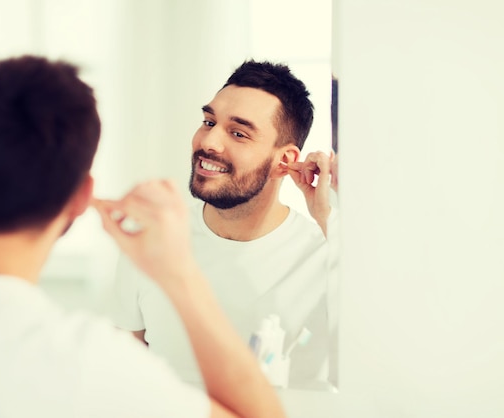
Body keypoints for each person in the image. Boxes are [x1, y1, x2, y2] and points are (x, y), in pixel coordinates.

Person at [0, 56, 285, 418]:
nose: (211, 141)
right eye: (209, 122)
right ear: (83, 196)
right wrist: (179, 275)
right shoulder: (88, 365)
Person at [111, 60, 339, 389]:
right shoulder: (151, 240)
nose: (209, 142)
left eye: (238, 133)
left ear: (284, 161)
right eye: (208, 121)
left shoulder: (325, 252)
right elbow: (125, 373)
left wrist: (328, 218)